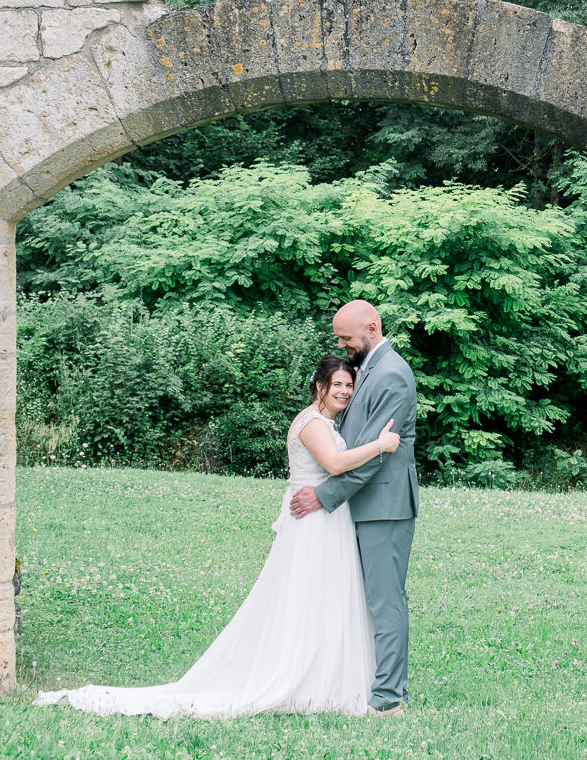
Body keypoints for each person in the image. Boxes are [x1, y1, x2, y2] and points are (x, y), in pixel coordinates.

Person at [34, 355, 399, 718]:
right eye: (337, 384)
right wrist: (381, 445)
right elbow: (335, 464)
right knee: (306, 600)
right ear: (319, 386)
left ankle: (327, 676)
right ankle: (302, 677)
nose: (345, 391)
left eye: (349, 385)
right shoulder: (312, 422)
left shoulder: (325, 422)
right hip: (314, 524)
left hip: (325, 520)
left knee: (324, 599)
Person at [290, 300, 419, 717]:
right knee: (359, 600)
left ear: (372, 327)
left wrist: (325, 494)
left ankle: (387, 699)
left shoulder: (393, 374)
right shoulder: (369, 370)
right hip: (362, 505)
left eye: (346, 337)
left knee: (385, 600)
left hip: (384, 505)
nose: (342, 345)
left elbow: (378, 455)